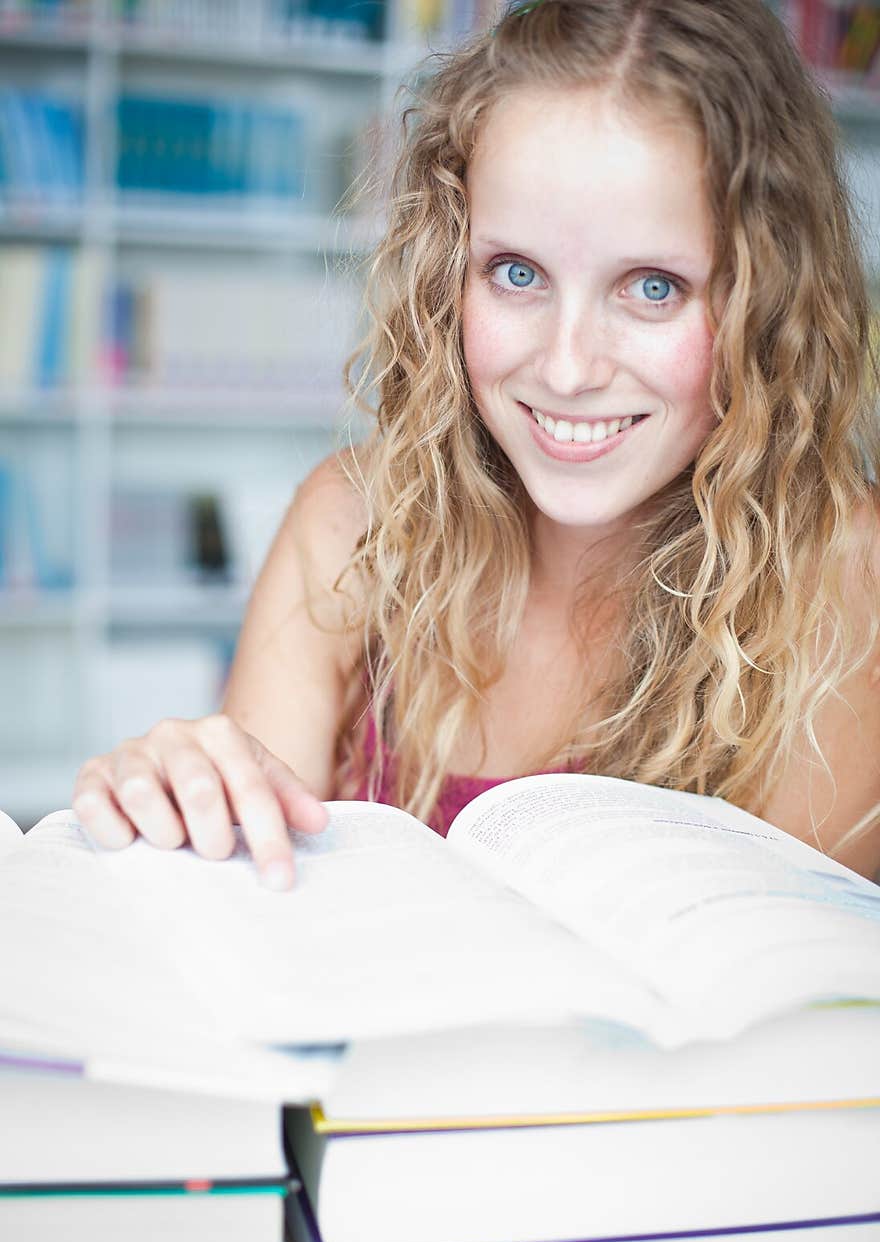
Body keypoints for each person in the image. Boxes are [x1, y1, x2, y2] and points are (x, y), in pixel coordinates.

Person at [72, 0, 880, 888]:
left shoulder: (839, 578)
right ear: (450, 267)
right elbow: (244, 910)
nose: (568, 369)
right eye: (517, 273)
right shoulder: (352, 526)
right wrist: (184, 800)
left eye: (653, 287)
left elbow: (778, 1000)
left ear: (765, 304)